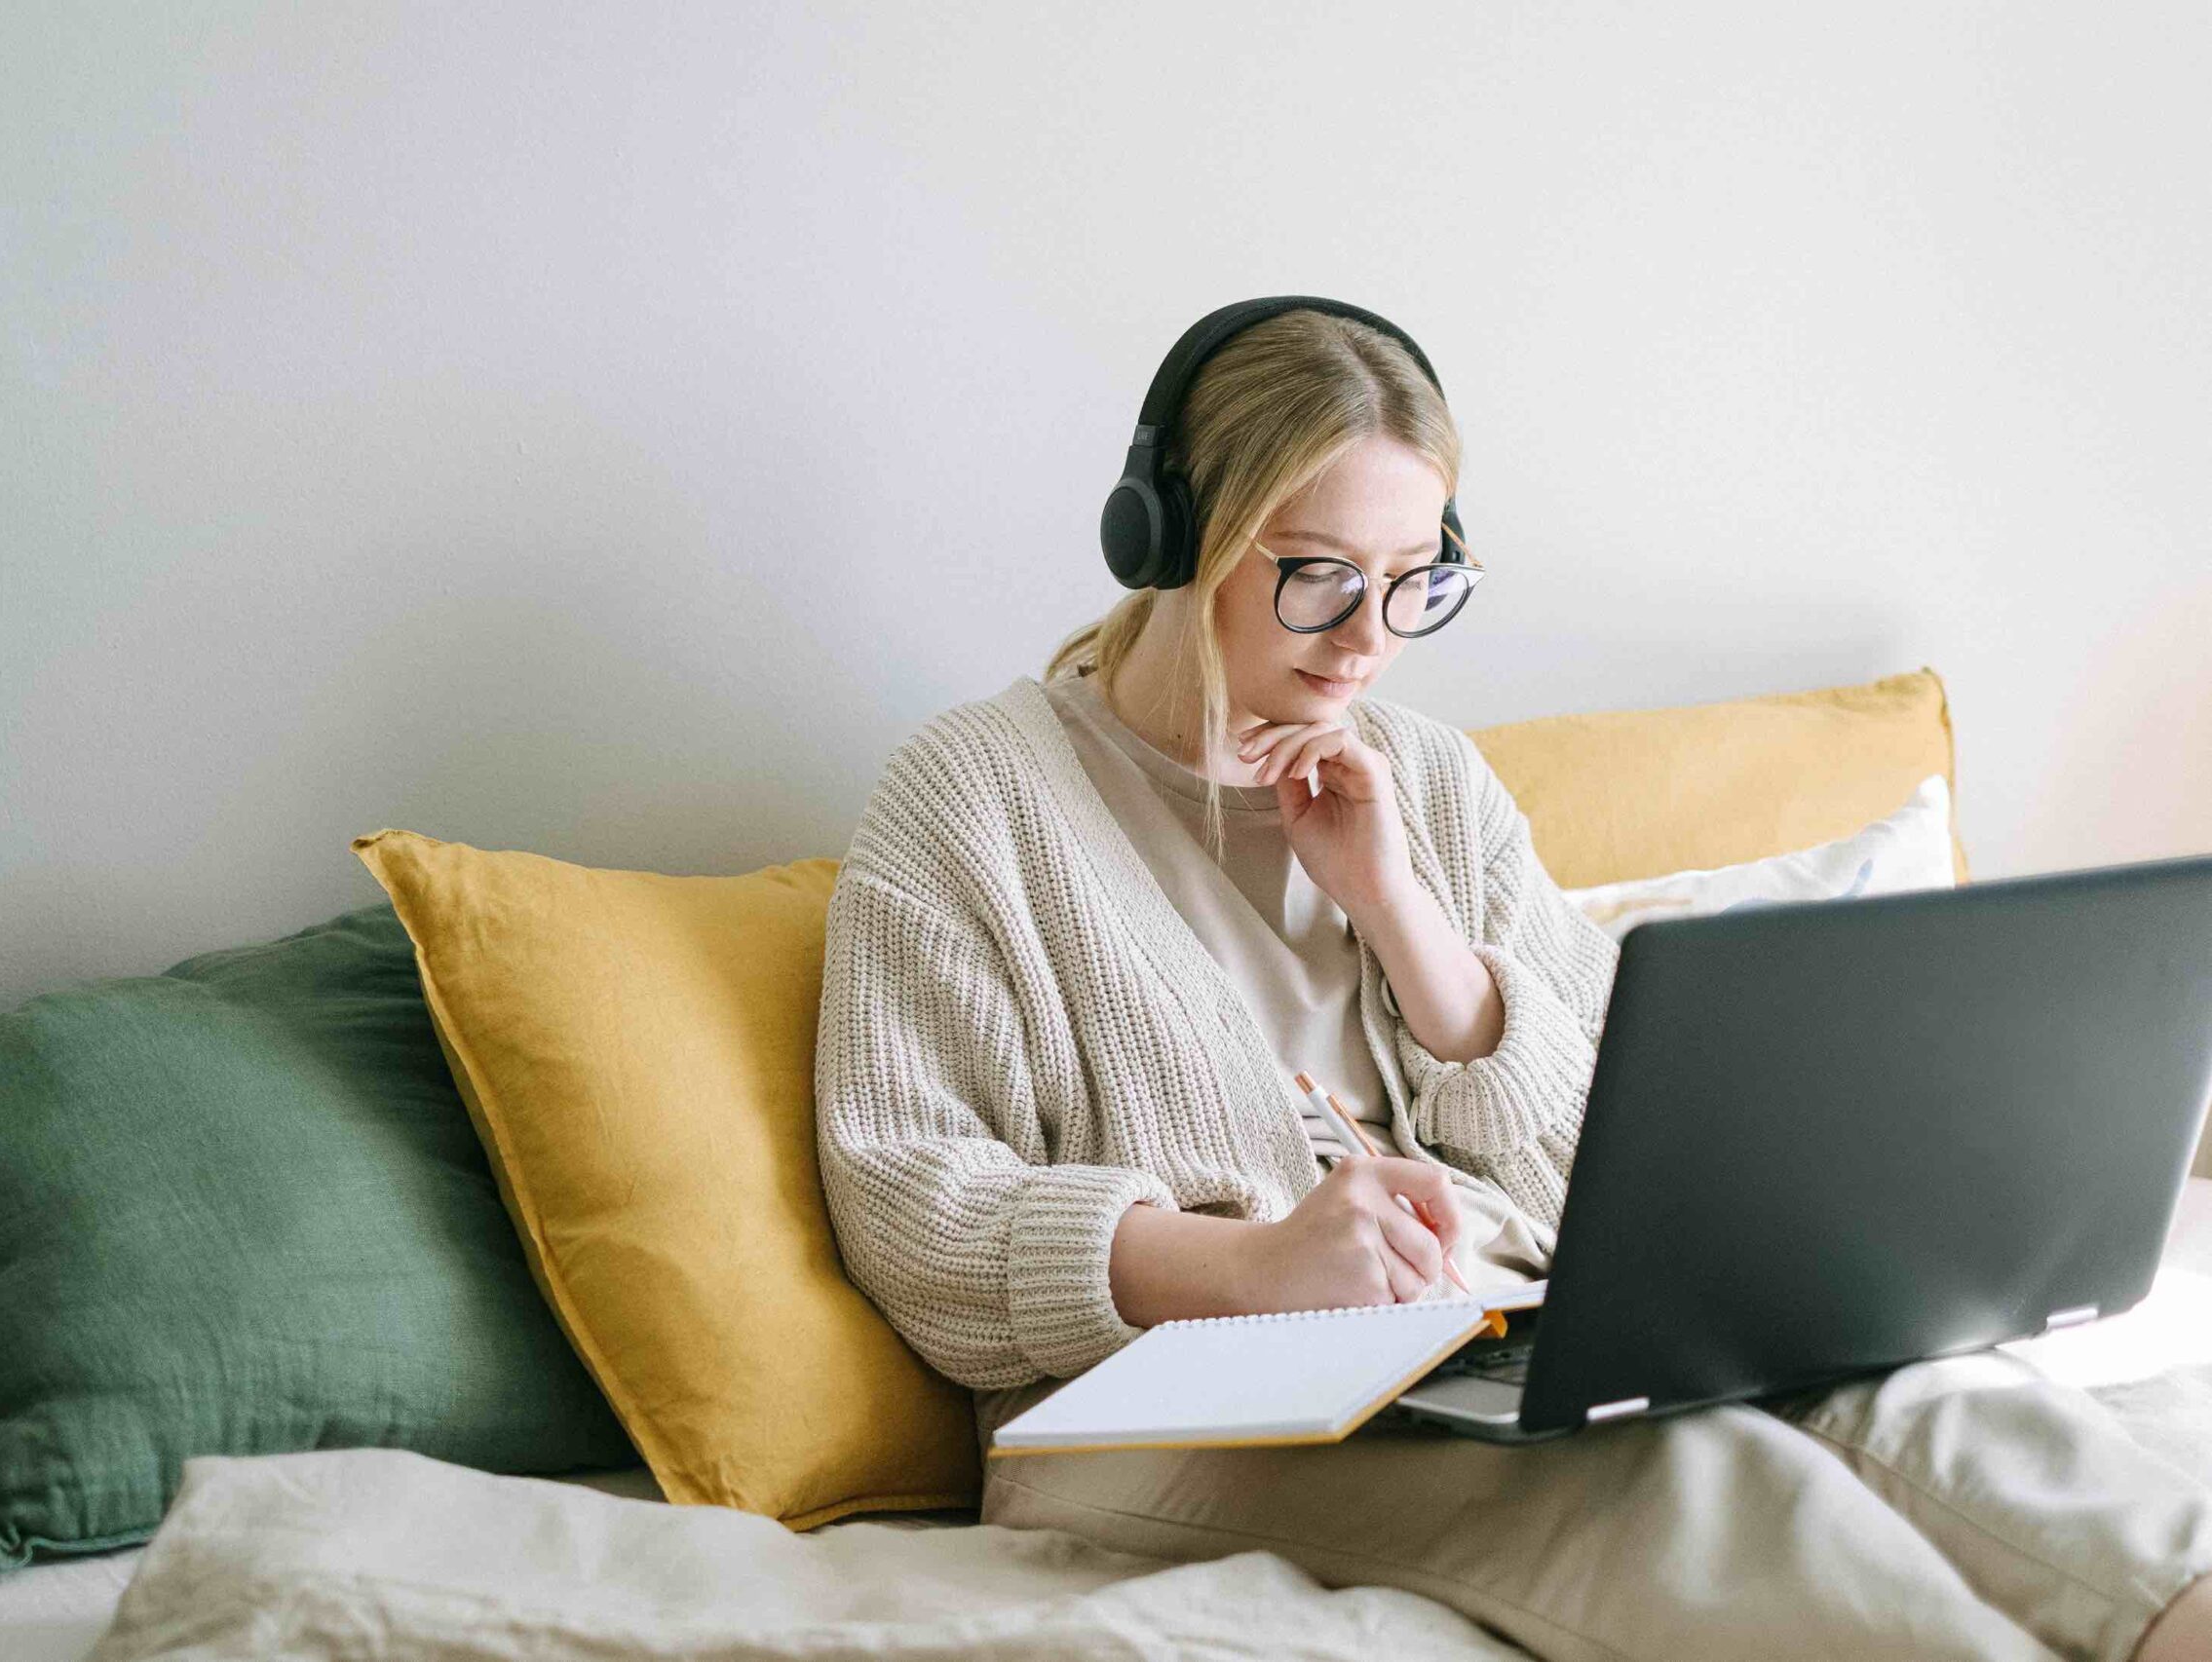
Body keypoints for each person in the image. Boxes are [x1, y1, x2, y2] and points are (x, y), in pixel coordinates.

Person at [812, 303, 2212, 1661]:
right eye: (1317, 573)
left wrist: (1404, 915)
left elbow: (1623, 1136)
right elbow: (912, 1203)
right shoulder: (973, 798)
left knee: (1943, 1406)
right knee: (1709, 1494)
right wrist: (1249, 1266)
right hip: (1154, 1414)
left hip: (1501, 1334)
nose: (1369, 638)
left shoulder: (1425, 778)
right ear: (1174, 541)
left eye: (1414, 579)